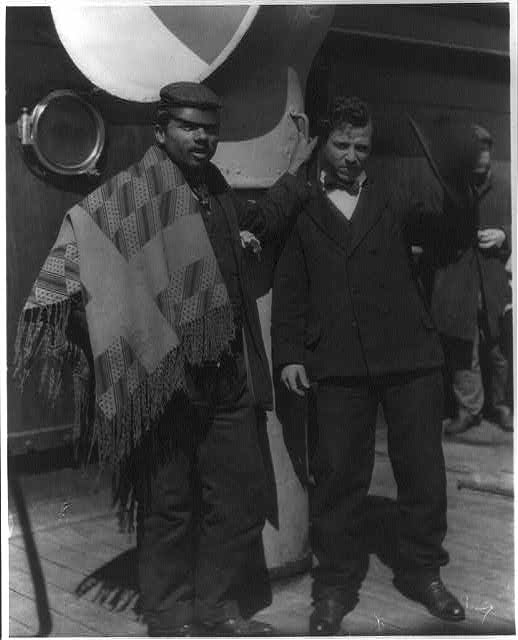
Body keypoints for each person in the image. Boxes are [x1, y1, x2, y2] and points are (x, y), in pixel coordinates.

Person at [13, 81, 317, 637]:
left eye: (210, 128)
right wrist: (127, 337)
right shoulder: (129, 192)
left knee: (239, 495)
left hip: (227, 372)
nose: (202, 138)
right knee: (169, 508)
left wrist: (292, 179)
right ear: (161, 130)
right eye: (189, 127)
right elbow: (77, 246)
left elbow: (234, 244)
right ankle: (168, 619)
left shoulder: (217, 188)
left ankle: (217, 606)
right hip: (165, 380)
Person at [271, 96, 465, 635]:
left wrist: (459, 192)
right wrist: (288, 353)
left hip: (410, 360)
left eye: (363, 146)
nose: (353, 155)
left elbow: (445, 237)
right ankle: (334, 586)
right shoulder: (303, 204)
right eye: (342, 144)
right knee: (338, 476)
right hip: (336, 365)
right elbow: (290, 288)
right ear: (322, 144)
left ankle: (424, 572)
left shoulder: (395, 197)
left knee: (423, 470)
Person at [429, 125, 513, 436]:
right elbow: (429, 228)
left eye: (486, 160)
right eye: (475, 161)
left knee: (500, 347)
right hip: (458, 279)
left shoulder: (505, 188)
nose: (481, 167)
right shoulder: (446, 187)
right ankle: (469, 409)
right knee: (462, 347)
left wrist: (504, 235)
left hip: (492, 281)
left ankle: (501, 404)